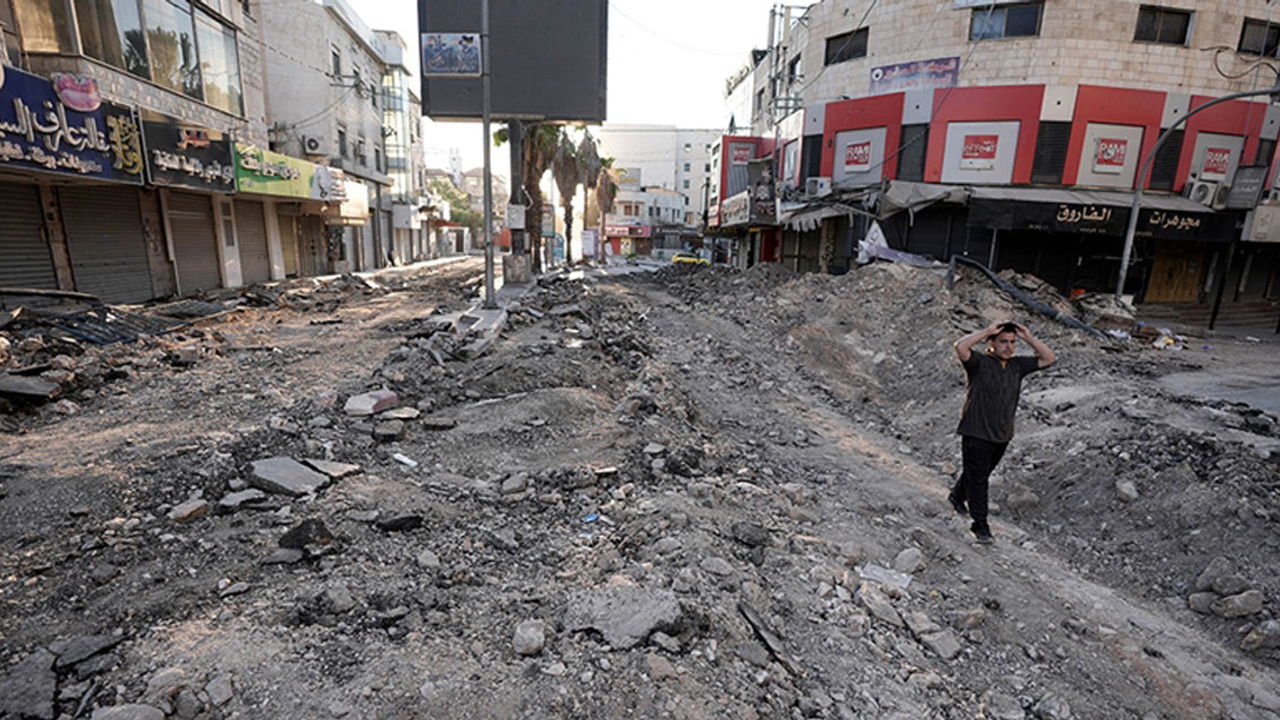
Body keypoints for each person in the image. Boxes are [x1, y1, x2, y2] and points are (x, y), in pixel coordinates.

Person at [949, 321, 1055, 544]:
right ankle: (981, 526)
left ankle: (957, 496)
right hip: (976, 430)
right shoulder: (979, 362)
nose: (1008, 347)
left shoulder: (1018, 365)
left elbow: (1049, 358)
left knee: (979, 474)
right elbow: (960, 346)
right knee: (979, 480)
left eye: (1012, 342)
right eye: (1003, 342)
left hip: (1002, 434)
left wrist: (1028, 337)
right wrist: (988, 331)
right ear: (992, 343)